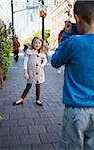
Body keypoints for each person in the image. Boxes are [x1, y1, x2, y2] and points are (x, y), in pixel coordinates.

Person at [51, 1, 94, 150]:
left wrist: (66, 36)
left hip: (76, 111)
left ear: (77, 18)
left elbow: (55, 61)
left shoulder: (72, 43)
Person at [13, 37, 47, 106]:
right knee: (28, 85)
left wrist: (42, 65)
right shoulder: (29, 51)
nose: (37, 44)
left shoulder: (41, 52)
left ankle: (38, 99)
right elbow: (25, 62)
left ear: (41, 44)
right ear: (32, 43)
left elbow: (45, 60)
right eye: (35, 42)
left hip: (39, 72)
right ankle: (21, 99)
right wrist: (25, 72)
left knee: (38, 86)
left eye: (39, 43)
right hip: (30, 72)